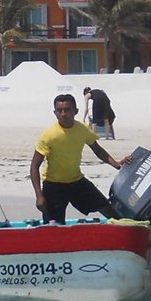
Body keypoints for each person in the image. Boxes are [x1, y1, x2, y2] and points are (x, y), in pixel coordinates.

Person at [29, 94, 131, 224]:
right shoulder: (48, 135)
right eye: (60, 111)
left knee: (109, 210)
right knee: (53, 225)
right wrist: (39, 196)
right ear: (55, 113)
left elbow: (97, 149)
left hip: (77, 182)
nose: (64, 114)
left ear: (75, 111)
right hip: (53, 186)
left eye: (67, 110)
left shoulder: (82, 129)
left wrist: (116, 164)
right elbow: (34, 166)